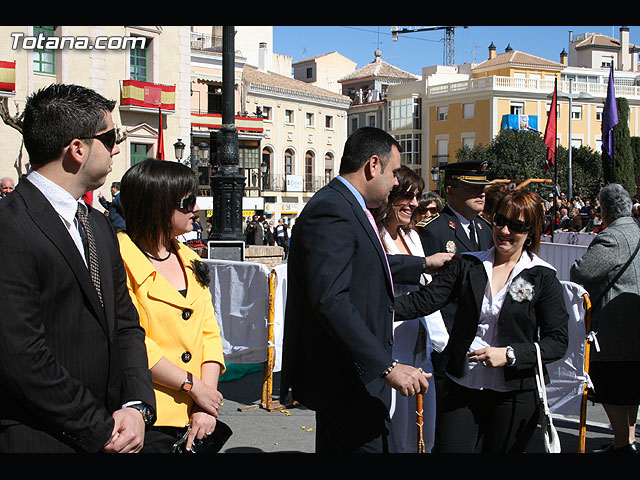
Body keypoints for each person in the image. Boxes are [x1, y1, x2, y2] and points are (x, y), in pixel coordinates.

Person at [0, 83, 155, 453]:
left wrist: (136, 406)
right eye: (111, 136)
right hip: (40, 438)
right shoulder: (11, 226)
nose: (118, 146)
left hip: (114, 429)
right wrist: (98, 428)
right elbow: (21, 353)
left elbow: (126, 323)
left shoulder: (97, 225)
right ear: (77, 149)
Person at [280, 127, 454, 453]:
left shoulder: (349, 205)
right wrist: (387, 366)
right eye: (392, 173)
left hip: (354, 377)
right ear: (373, 165)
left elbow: (368, 264)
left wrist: (424, 264)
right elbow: (330, 299)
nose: (395, 183)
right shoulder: (332, 209)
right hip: (348, 377)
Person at [395, 189, 569, 453]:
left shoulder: (542, 276)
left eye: (517, 225)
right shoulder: (469, 265)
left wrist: (509, 354)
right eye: (500, 221)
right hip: (462, 387)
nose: (505, 231)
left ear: (531, 232)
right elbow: (422, 302)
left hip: (515, 393)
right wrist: (369, 309)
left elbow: (557, 342)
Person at [117, 158, 226, 453]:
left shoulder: (190, 258)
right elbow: (134, 341)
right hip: (147, 416)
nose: (197, 209)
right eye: (188, 201)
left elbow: (209, 335)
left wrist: (207, 401)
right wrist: (195, 387)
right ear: (158, 206)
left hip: (198, 415)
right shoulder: (119, 258)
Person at [372, 166, 446, 453]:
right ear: (390, 197)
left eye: (417, 197)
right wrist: (425, 264)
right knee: (393, 426)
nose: (414, 204)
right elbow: (383, 272)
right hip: (392, 344)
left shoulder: (413, 235)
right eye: (408, 196)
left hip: (422, 341)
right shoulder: (374, 236)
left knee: (423, 429)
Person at [570, 184, 640, 454]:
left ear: (606, 210)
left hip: (614, 325)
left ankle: (623, 443)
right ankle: (627, 439)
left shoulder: (612, 237)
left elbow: (583, 272)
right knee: (630, 386)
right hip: (633, 322)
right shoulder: (636, 230)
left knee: (611, 385)